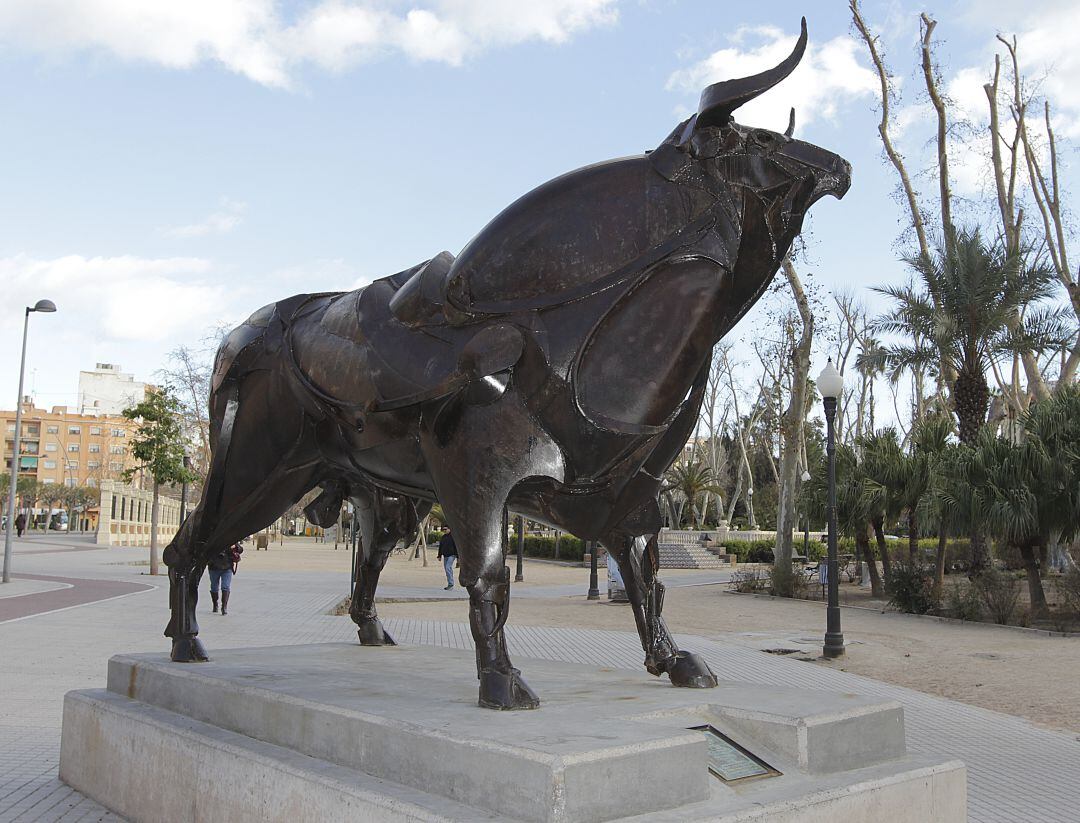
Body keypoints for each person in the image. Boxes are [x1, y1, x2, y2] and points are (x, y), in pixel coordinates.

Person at [208, 540, 243, 614]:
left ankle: (224, 607)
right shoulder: (213, 538)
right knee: (214, 587)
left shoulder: (230, 538)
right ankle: (215, 604)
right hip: (214, 567)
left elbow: (240, 549)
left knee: (225, 587)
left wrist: (235, 547)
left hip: (227, 567)